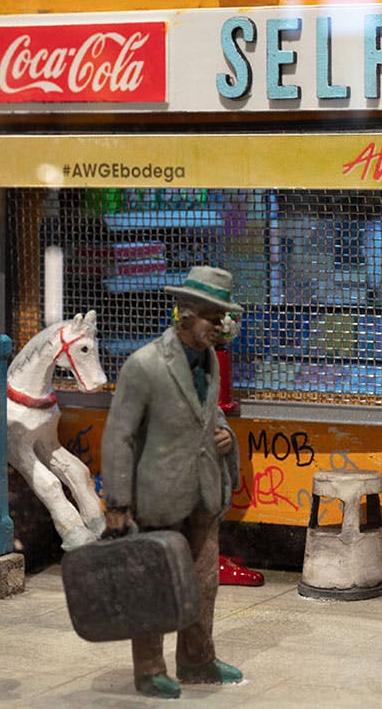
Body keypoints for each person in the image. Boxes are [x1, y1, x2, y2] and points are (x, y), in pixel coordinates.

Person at [101, 266, 244, 699]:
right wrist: (118, 502)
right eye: (212, 318)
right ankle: (148, 669)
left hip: (203, 490)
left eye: (222, 318)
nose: (220, 327)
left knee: (204, 580)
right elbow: (118, 435)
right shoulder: (144, 366)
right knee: (154, 583)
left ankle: (197, 659)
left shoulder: (207, 360)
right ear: (184, 314)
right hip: (157, 496)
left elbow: (204, 415)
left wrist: (225, 437)